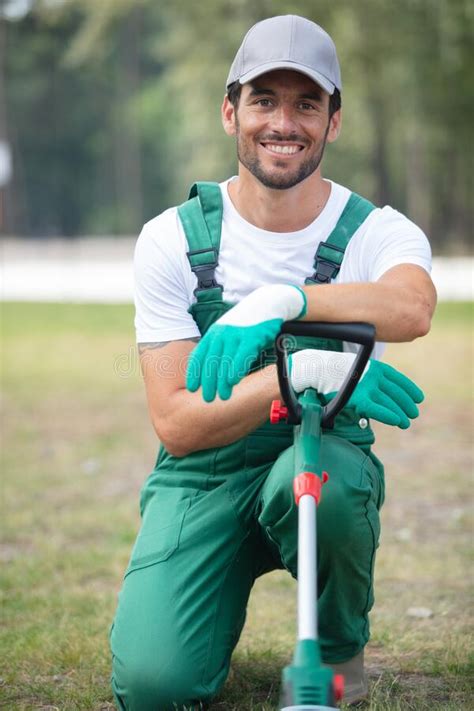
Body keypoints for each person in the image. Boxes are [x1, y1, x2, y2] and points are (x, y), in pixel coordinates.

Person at [110, 14, 436, 711]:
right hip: (205, 475)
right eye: (264, 100)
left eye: (306, 103)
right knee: (153, 687)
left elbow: (413, 307)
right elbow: (177, 421)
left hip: (317, 456)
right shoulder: (172, 240)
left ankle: (338, 646)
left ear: (334, 121)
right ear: (230, 111)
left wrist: (284, 299)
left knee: (331, 483)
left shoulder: (374, 231)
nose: (283, 122)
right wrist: (303, 369)